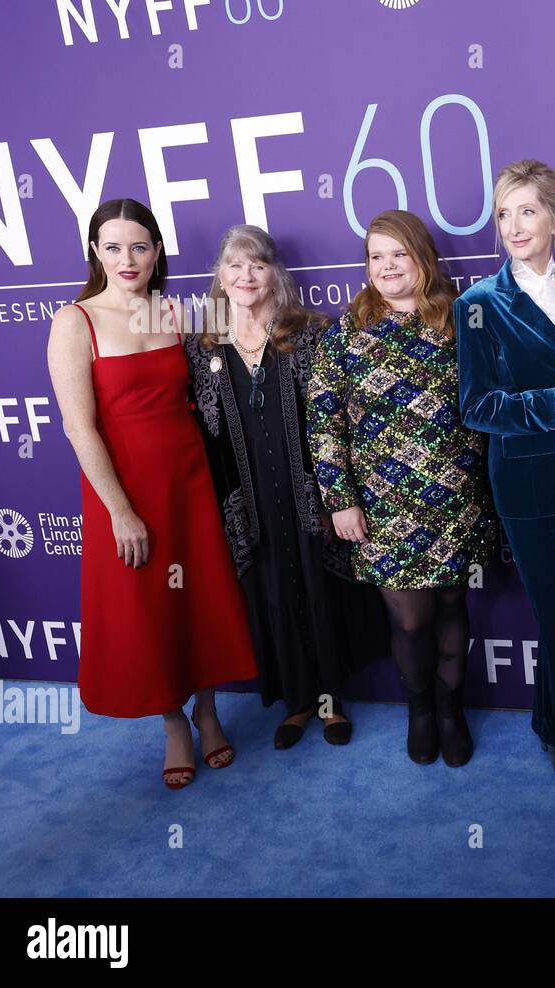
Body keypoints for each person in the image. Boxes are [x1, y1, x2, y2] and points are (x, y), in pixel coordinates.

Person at [45, 198, 257, 789]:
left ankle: (209, 713)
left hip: (190, 481)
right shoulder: (75, 321)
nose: (127, 258)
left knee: (204, 598)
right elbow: (78, 427)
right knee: (151, 606)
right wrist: (119, 511)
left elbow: (222, 375)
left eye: (139, 245)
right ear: (95, 253)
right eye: (112, 247)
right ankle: (173, 726)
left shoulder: (173, 312)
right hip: (126, 490)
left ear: (157, 251)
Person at [185, 224, 388, 751]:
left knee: (320, 590)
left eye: (257, 264)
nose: (246, 275)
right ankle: (297, 703)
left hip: (309, 490)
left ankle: (331, 701)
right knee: (270, 593)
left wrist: (338, 494)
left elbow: (338, 413)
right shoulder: (201, 344)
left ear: (275, 273)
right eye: (235, 266)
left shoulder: (311, 331)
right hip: (247, 495)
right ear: (221, 278)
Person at [308, 210, 497, 767]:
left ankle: (449, 709)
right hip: (384, 509)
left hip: (458, 498)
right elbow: (324, 421)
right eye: (376, 256)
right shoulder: (347, 330)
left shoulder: (462, 318)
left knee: (450, 603)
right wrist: (339, 500)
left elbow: (497, 393)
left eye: (399, 254)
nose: (388, 266)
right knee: (410, 620)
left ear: (423, 258)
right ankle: (419, 710)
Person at [455, 159, 555, 784]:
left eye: (528, 211)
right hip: (526, 483)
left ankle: (550, 724)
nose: (515, 226)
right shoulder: (478, 304)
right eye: (504, 214)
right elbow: (476, 406)